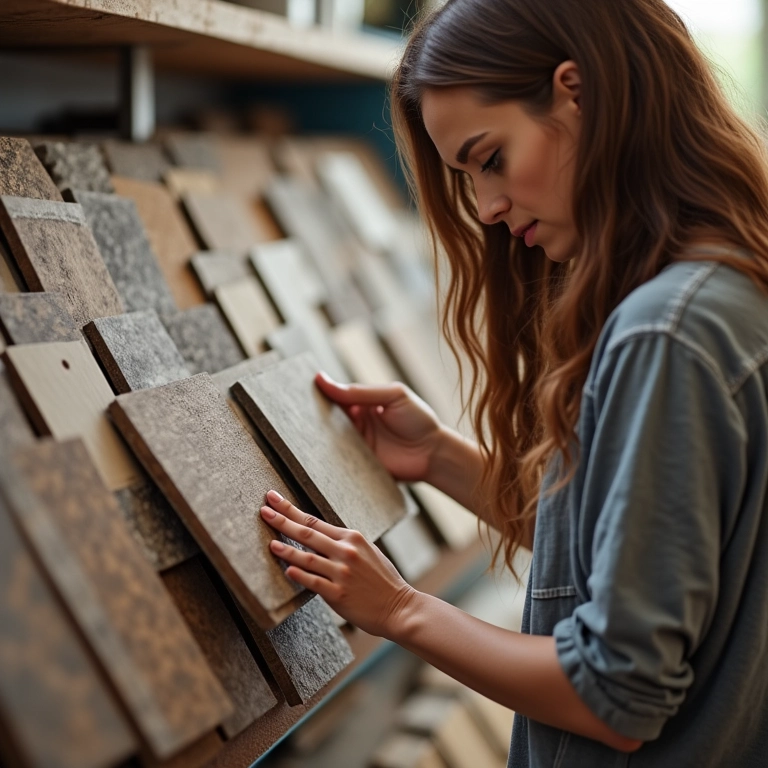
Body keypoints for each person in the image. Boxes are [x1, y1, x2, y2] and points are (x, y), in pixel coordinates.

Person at [260, 0, 768, 764]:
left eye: (490, 158)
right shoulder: (730, 287)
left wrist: (399, 610)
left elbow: (618, 696)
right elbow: (652, 559)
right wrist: (440, 458)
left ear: (579, 94)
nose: (487, 209)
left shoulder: (664, 334)